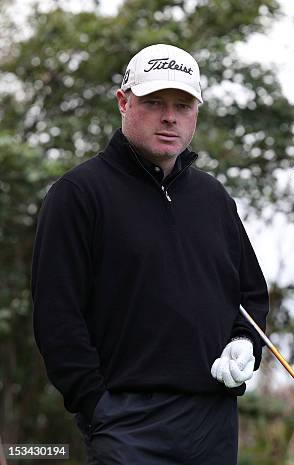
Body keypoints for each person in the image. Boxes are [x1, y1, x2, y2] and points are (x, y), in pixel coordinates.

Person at [31, 43, 269, 465]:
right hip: (126, 424)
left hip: (212, 420)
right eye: (154, 101)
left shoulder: (214, 199)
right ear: (124, 102)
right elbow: (57, 315)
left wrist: (244, 342)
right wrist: (97, 405)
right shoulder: (79, 194)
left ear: (197, 111)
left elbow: (250, 297)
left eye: (183, 104)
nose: (169, 116)